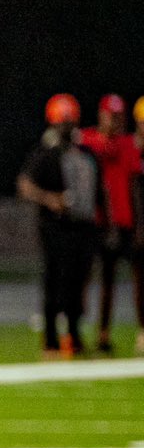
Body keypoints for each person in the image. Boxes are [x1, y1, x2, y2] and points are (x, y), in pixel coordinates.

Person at [17, 94, 103, 359]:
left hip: (82, 226)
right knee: (56, 282)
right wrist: (51, 200)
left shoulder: (84, 152)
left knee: (78, 282)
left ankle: (74, 336)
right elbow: (25, 185)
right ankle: (52, 339)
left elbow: (96, 189)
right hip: (56, 228)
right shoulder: (45, 154)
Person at [79, 94, 141, 354]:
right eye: (110, 116)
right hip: (97, 222)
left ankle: (137, 331)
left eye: (119, 117)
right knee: (90, 278)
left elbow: (135, 187)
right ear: (101, 115)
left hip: (125, 222)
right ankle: (85, 330)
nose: (114, 121)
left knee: (138, 280)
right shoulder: (88, 141)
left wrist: (139, 227)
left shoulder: (129, 145)